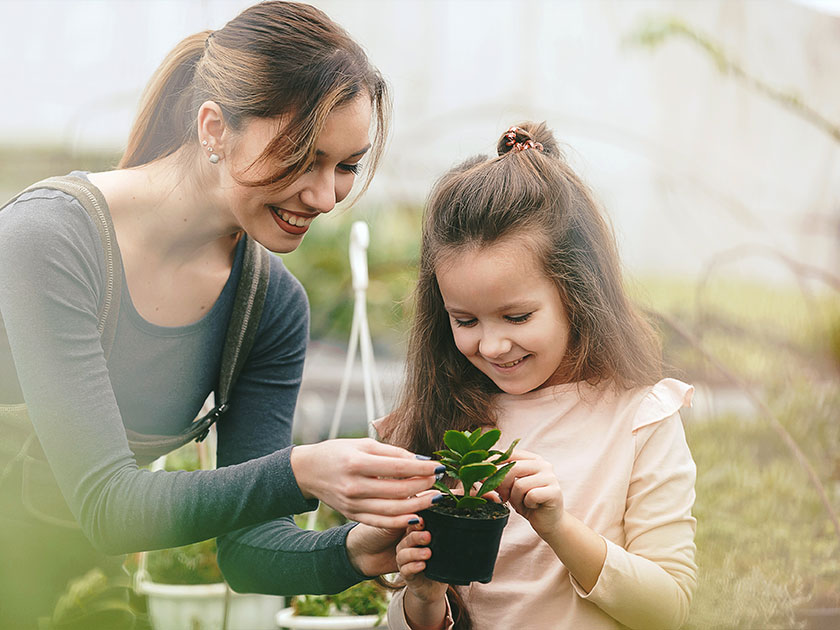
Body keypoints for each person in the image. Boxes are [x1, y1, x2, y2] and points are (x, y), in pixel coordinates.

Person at [0, 2, 444, 628]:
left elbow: (253, 555)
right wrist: (305, 470)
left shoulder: (267, 306)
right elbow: (108, 506)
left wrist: (356, 550)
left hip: (81, 599)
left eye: (345, 167)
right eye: (302, 158)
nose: (324, 196)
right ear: (214, 127)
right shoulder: (50, 239)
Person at [375, 123, 698, 629]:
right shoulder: (431, 422)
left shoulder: (640, 420)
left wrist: (558, 527)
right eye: (465, 320)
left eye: (518, 317)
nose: (492, 345)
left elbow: (670, 609)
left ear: (578, 294)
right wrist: (421, 598)